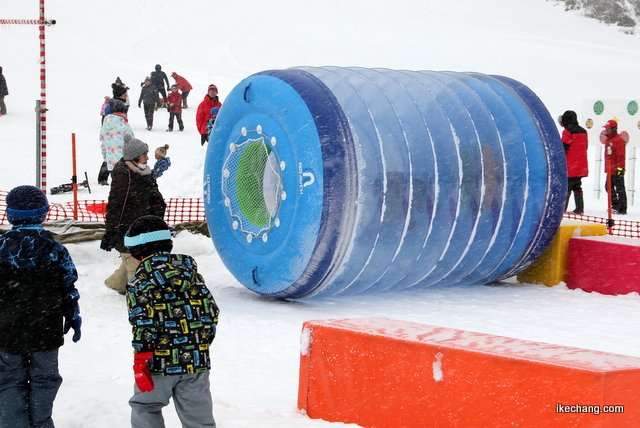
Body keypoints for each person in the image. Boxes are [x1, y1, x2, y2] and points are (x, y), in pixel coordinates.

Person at [124, 215, 219, 428]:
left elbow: (143, 323)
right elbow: (212, 312)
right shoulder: (192, 276)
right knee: (198, 417)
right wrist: (199, 343)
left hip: (158, 362)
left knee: (145, 406)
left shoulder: (140, 282)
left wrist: (141, 357)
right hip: (196, 361)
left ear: (138, 252)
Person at [0, 185, 81, 428]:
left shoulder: (1, 249)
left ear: (10, 214)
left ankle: (13, 423)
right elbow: (69, 286)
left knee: (8, 379)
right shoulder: (56, 249)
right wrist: (73, 316)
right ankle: (41, 422)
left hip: (6, 329)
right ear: (44, 213)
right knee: (44, 378)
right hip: (45, 328)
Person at [100, 134, 166, 294]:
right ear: (134, 158)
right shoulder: (124, 174)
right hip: (127, 225)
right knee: (132, 260)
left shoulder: (144, 171)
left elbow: (152, 191)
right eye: (144, 156)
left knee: (132, 257)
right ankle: (138, 294)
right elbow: (117, 203)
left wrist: (157, 203)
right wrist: (112, 229)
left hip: (143, 222)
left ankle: (117, 283)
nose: (148, 158)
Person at [559, 110, 588, 214]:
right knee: (577, 186)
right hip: (581, 165)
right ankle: (580, 208)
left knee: (566, 188)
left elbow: (564, 146)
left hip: (570, 165)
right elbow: (585, 146)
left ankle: (563, 208)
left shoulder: (567, 131)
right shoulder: (583, 131)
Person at [99, 98, 134, 185]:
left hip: (111, 161)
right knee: (125, 186)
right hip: (124, 161)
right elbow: (132, 143)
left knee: (116, 186)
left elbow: (103, 143)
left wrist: (106, 158)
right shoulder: (124, 125)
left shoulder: (105, 125)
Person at [602, 119, 627, 215]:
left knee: (619, 189)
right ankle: (615, 206)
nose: (606, 130)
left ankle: (622, 208)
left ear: (613, 129)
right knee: (608, 187)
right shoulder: (609, 139)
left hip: (616, 170)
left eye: (607, 128)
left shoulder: (618, 140)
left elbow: (621, 156)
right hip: (610, 169)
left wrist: (620, 168)